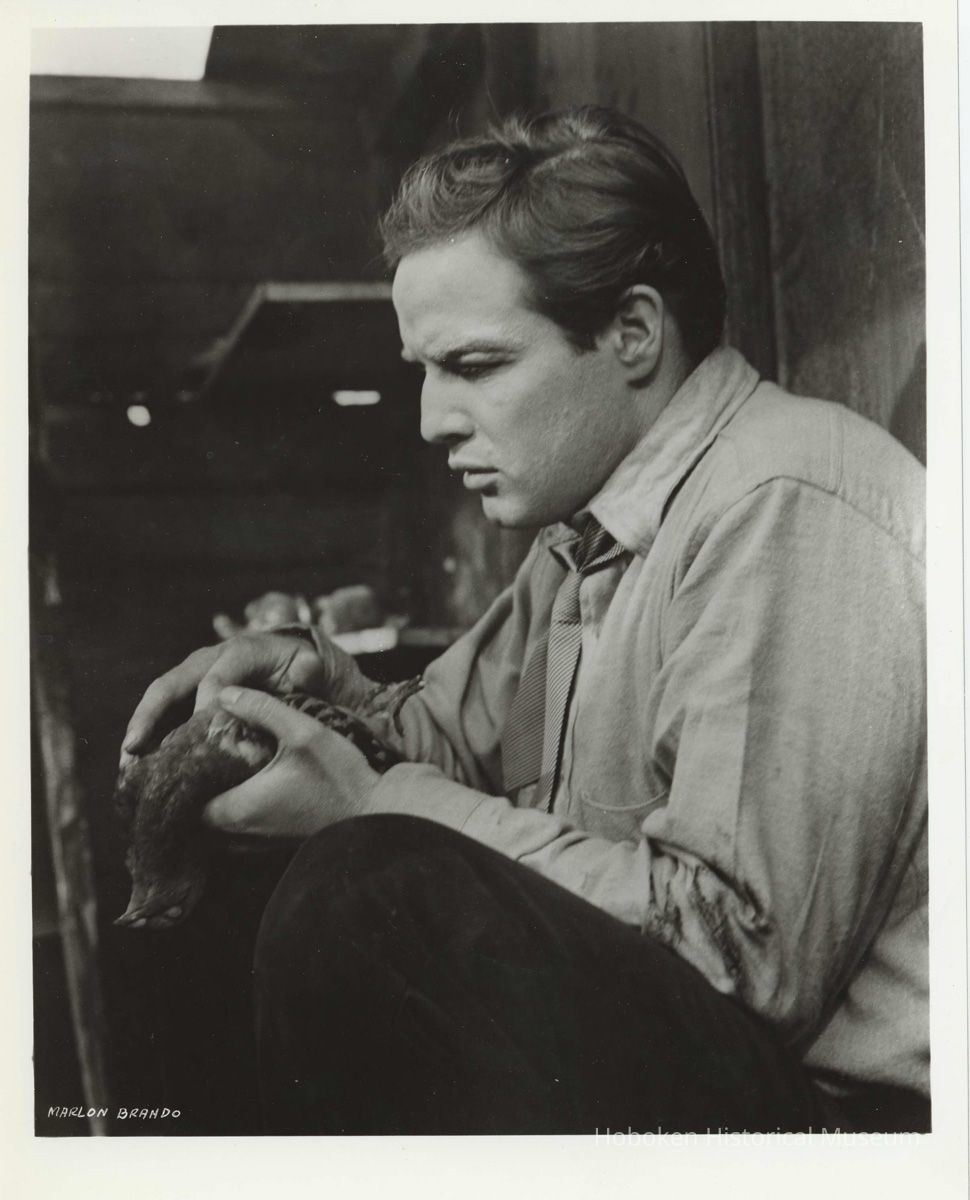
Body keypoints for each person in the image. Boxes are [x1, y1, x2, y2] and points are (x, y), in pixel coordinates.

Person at [121, 107, 928, 1135]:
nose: (430, 419)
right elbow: (446, 743)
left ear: (631, 333)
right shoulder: (587, 533)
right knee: (273, 858)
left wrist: (369, 804)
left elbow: (739, 959)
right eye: (424, 369)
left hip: (849, 1131)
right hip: (712, 1065)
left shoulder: (784, 501)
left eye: (475, 366)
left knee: (366, 896)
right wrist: (306, 686)